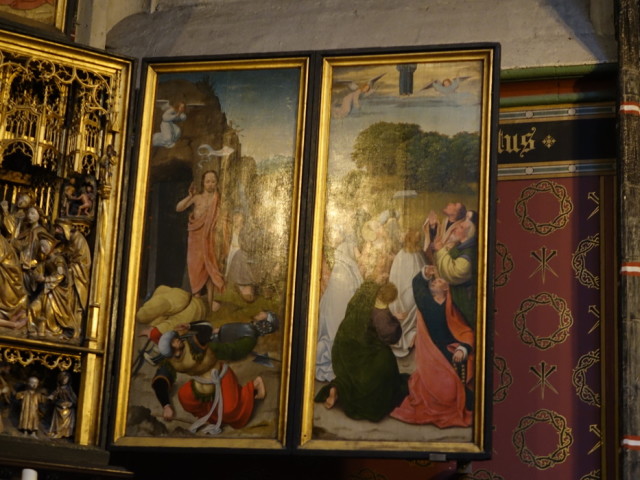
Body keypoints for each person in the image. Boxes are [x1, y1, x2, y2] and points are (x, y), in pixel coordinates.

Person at [149, 315, 276, 435]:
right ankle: (212, 419)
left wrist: (190, 326)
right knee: (185, 397)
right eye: (173, 341)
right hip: (201, 383)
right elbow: (160, 381)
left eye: (175, 338)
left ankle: (254, 385)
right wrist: (166, 406)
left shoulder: (193, 343)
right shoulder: (172, 362)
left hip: (220, 375)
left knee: (230, 411)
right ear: (171, 351)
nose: (177, 339)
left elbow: (207, 328)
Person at [315, 281, 408, 422]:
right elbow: (390, 336)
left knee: (353, 374)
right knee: (386, 361)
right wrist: (395, 320)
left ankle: (336, 388)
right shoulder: (381, 315)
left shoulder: (365, 297)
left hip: (347, 348)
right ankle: (366, 400)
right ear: (388, 300)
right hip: (368, 351)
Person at [391, 274, 474, 428]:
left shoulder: (452, 308)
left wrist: (463, 348)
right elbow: (417, 285)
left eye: (439, 281)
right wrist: (424, 273)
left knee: (455, 386)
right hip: (431, 350)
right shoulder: (427, 303)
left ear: (446, 288)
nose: (434, 282)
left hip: (450, 349)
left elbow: (465, 331)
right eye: (433, 280)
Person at [315, 227, 363, 381]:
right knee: (333, 324)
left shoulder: (346, 246)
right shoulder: (332, 252)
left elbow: (358, 259)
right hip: (337, 288)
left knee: (340, 322)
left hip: (344, 286)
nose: (334, 237)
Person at [176, 170, 225, 311]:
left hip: (210, 238)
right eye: (208, 181)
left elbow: (224, 218)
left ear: (217, 183)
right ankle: (196, 301)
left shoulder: (218, 199)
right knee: (195, 268)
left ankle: (210, 302)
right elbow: (179, 208)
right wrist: (189, 196)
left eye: (213, 181)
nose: (210, 184)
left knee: (210, 269)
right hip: (195, 238)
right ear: (203, 182)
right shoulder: (197, 198)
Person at [431, 218, 477, 327]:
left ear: (467, 234)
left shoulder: (469, 253)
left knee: (461, 325)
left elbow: (452, 272)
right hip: (453, 295)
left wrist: (440, 250)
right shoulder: (459, 246)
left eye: (461, 227)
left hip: (462, 298)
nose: (455, 228)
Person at [389, 228, 427, 357]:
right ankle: (407, 337)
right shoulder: (403, 256)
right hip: (406, 293)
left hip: (413, 292)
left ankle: (411, 337)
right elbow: (396, 278)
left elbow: (422, 272)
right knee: (407, 314)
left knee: (412, 313)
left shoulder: (416, 254)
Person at [53, 219, 92, 323]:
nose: (56, 231)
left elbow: (81, 260)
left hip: (76, 275)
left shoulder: (77, 238)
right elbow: (62, 250)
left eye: (58, 228)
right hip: (69, 274)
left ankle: (70, 320)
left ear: (65, 228)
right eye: (55, 228)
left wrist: (69, 268)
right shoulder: (66, 240)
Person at [48, 371, 77, 439]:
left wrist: (71, 403)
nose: (64, 381)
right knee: (58, 420)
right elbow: (54, 394)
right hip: (59, 406)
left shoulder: (69, 389)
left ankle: (66, 433)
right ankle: (57, 431)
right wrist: (51, 396)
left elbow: (73, 397)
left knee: (67, 422)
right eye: (63, 379)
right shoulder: (58, 389)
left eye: (66, 379)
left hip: (68, 408)